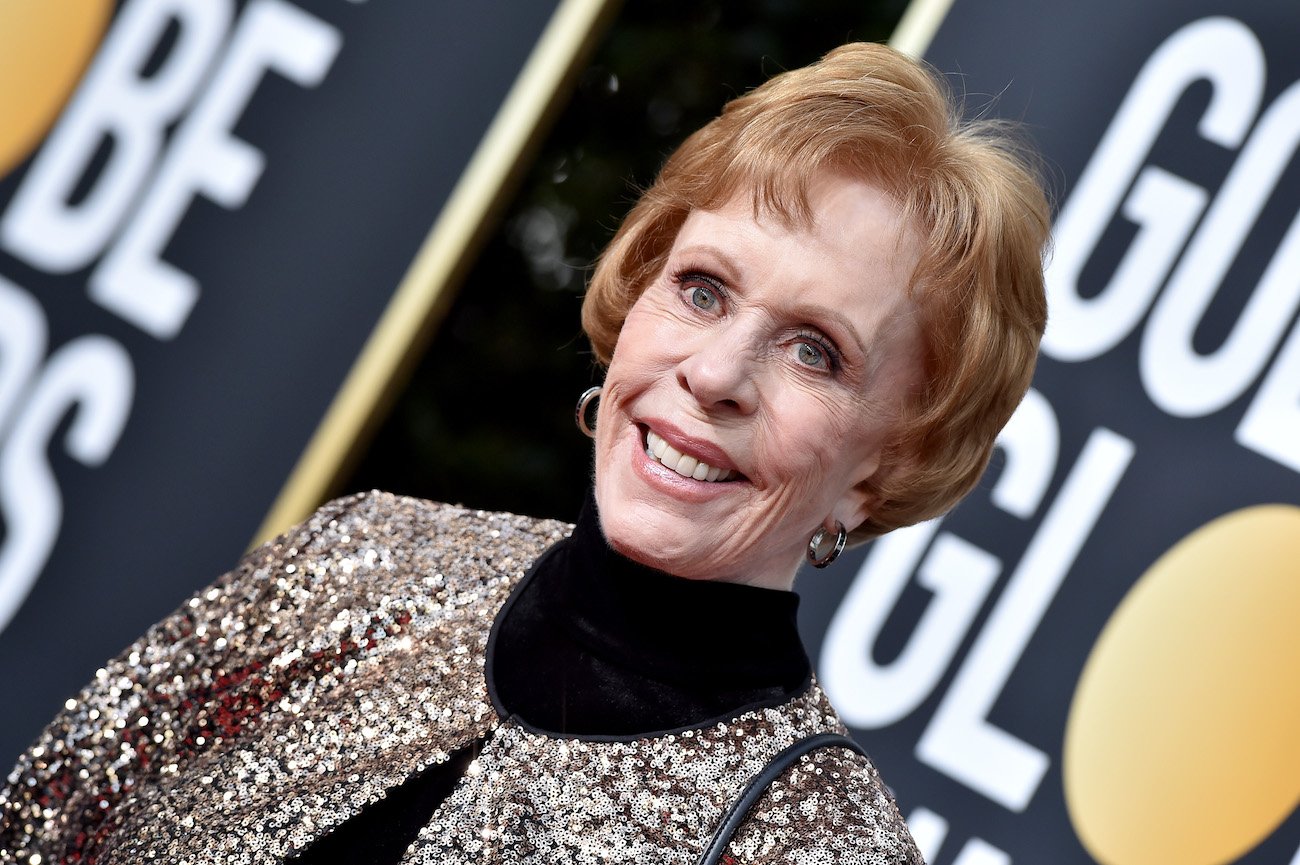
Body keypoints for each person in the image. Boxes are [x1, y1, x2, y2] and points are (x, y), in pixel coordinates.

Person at [0, 41, 1048, 864]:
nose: (717, 373)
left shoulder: (819, 850)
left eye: (815, 352)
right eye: (701, 288)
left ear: (889, 462)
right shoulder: (365, 556)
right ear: (637, 291)